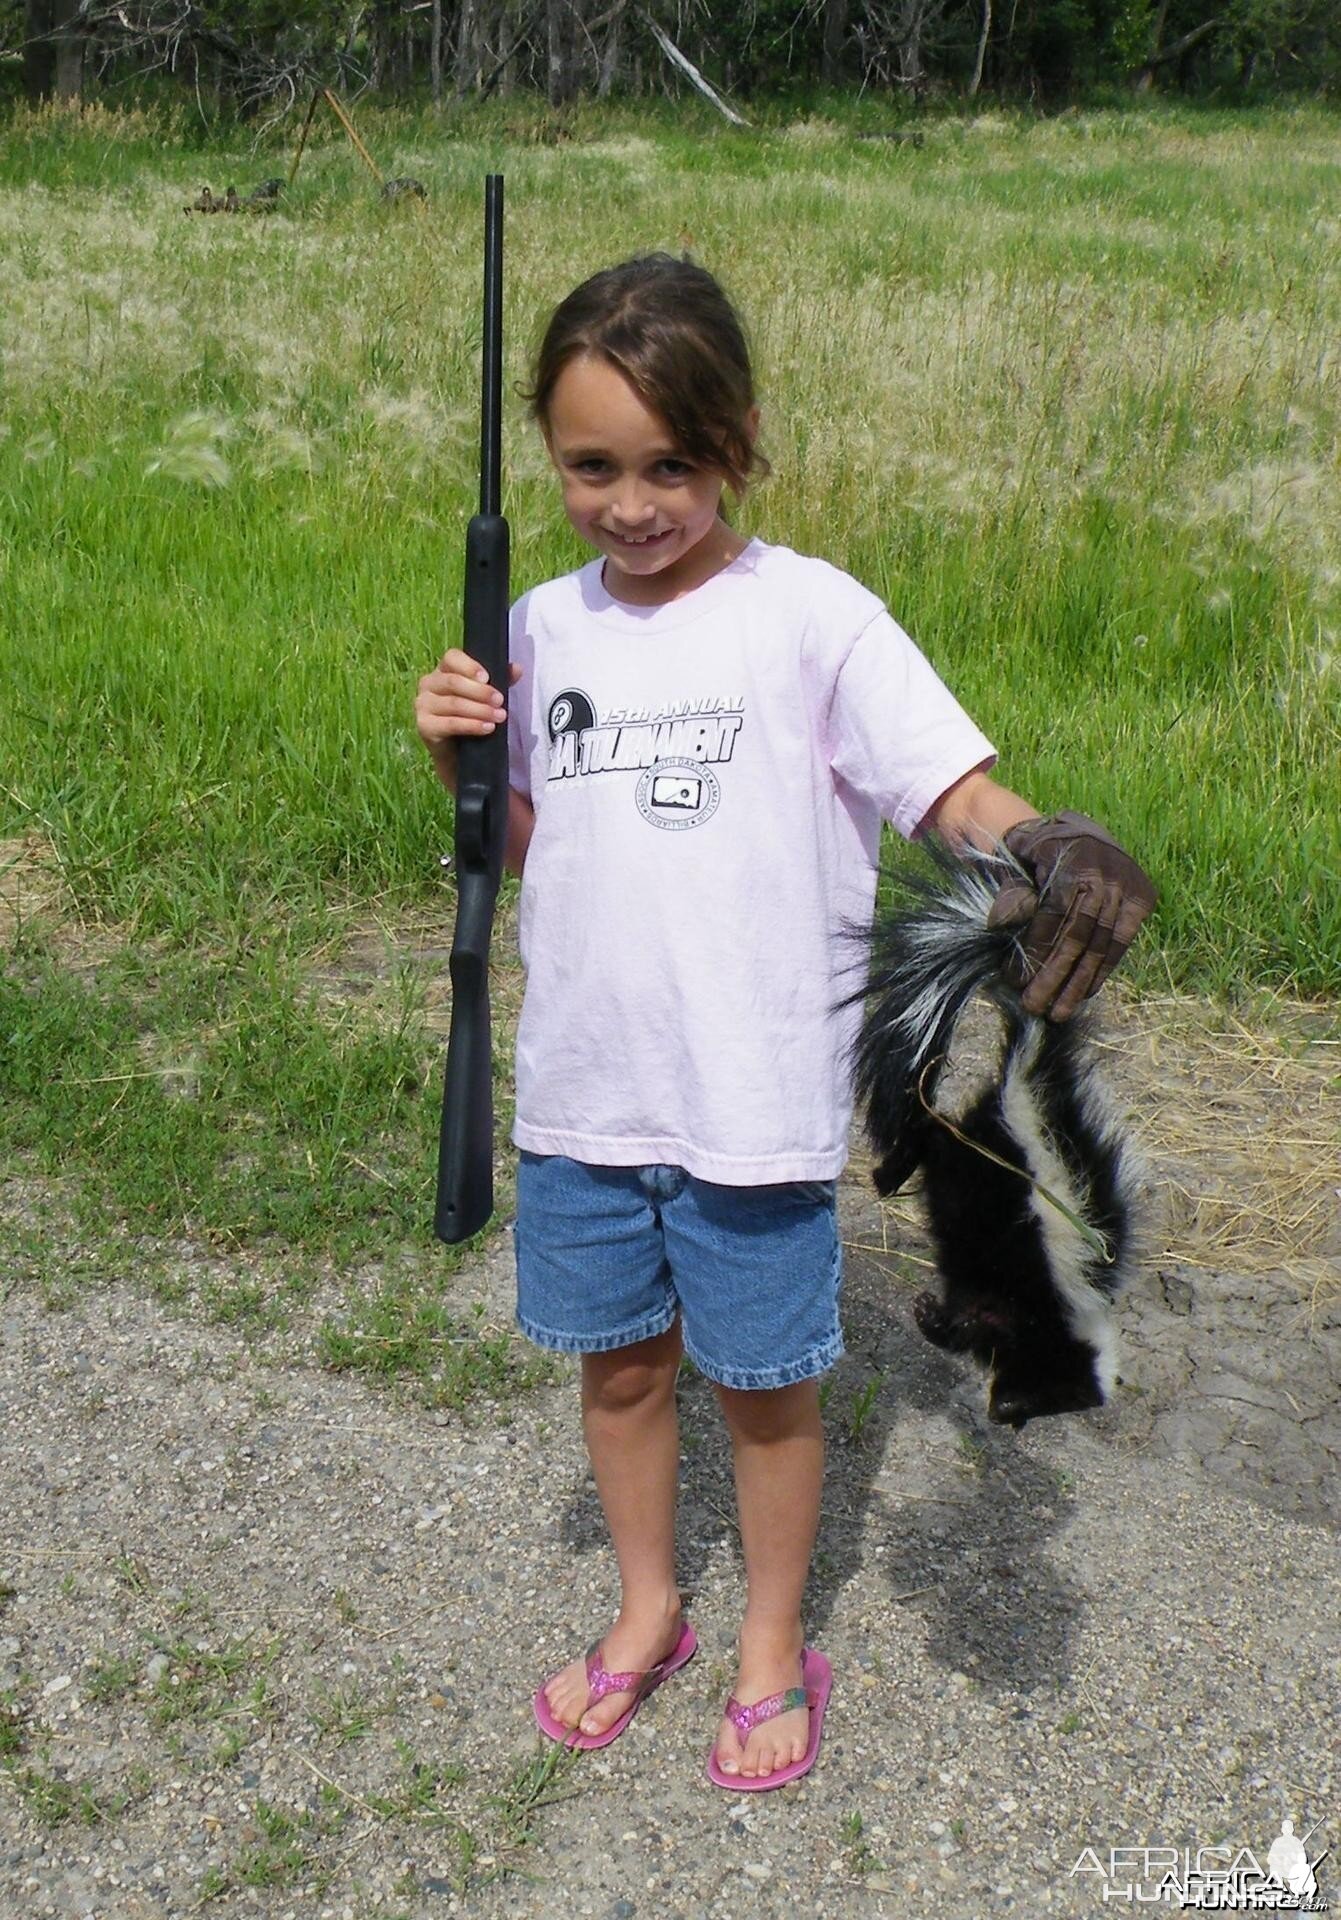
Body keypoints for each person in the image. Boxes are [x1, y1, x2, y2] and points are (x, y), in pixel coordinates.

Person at [415, 255, 1156, 1789]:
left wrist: (1048, 843)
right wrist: (458, 765)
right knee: (616, 1369)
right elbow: (529, 854)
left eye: (670, 465)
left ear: (740, 439)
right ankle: (646, 1614)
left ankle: (767, 1643)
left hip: (747, 1098)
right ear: (550, 460)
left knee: (765, 1389)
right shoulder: (535, 628)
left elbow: (944, 789)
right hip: (583, 1094)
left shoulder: (813, 618)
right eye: (590, 467)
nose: (632, 503)